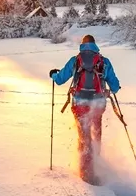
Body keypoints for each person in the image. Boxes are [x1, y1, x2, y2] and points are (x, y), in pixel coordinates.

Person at [48, 34, 121, 184]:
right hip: (98, 105)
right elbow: (114, 86)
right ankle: (96, 165)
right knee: (96, 133)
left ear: (82, 45)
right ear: (95, 45)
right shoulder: (104, 62)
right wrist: (113, 88)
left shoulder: (75, 60)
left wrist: (53, 74)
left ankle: (86, 172)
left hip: (79, 104)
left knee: (84, 136)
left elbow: (60, 79)